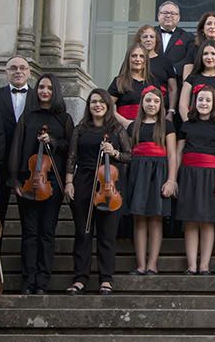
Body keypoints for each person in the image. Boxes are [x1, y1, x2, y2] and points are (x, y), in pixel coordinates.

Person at [10, 73, 73, 294]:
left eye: (48, 88)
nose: (44, 91)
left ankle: (42, 280)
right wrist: (15, 179)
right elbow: (17, 147)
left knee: (47, 232)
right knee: (29, 233)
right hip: (28, 182)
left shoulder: (63, 119)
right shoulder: (27, 117)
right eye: (41, 87)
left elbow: (69, 147)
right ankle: (27, 279)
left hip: (52, 182)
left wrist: (53, 142)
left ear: (55, 91)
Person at [65, 89, 131, 295]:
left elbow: (130, 156)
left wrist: (115, 152)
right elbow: (71, 157)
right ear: (89, 106)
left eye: (101, 101)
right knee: (83, 232)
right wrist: (69, 182)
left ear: (108, 105)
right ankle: (80, 278)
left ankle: (106, 278)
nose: (97, 105)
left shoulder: (117, 129)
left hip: (109, 184)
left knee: (107, 234)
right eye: (93, 102)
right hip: (83, 181)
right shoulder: (80, 129)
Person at [175, 85, 215, 275]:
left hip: (212, 176)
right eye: (200, 99)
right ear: (195, 102)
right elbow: (178, 152)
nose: (204, 103)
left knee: (208, 221)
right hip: (189, 175)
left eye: (208, 100)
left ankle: (204, 265)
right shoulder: (187, 124)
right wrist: (173, 178)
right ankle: (192, 265)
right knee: (190, 220)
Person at [0, 55, 36, 238]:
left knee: (30, 222)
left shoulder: (40, 97)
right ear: (6, 72)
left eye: (22, 68)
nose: (18, 71)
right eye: (13, 68)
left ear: (29, 72)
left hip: (29, 168)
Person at [124, 86, 176, 275]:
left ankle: (152, 263)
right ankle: (140, 264)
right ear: (142, 103)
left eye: (155, 101)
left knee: (155, 219)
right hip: (138, 173)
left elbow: (172, 154)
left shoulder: (167, 126)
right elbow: (128, 153)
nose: (151, 104)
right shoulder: (133, 126)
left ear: (161, 104)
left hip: (159, 172)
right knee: (139, 219)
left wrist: (171, 180)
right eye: (148, 100)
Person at [179, 40, 215, 121]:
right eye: (205, 54)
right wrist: (189, 125)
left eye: (213, 54)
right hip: (194, 125)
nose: (209, 57)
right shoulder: (191, 78)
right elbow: (182, 106)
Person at [109, 42, 164, 124]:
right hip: (124, 128)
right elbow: (107, 106)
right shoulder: (119, 81)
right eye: (134, 56)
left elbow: (160, 108)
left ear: (146, 60)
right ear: (128, 59)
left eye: (141, 56)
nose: (138, 59)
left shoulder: (153, 82)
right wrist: (125, 122)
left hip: (148, 129)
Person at [133, 24, 179, 109]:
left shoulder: (165, 62)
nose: (148, 40)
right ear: (139, 40)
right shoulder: (133, 61)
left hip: (160, 108)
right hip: (135, 107)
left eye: (152, 37)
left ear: (156, 40)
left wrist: (171, 110)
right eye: (145, 37)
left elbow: (173, 89)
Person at [155, 0, 196, 72]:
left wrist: (172, 70)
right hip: (150, 78)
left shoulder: (187, 37)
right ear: (158, 16)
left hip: (177, 79)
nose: (168, 16)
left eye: (172, 13)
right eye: (165, 13)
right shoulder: (148, 34)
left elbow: (190, 58)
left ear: (178, 17)